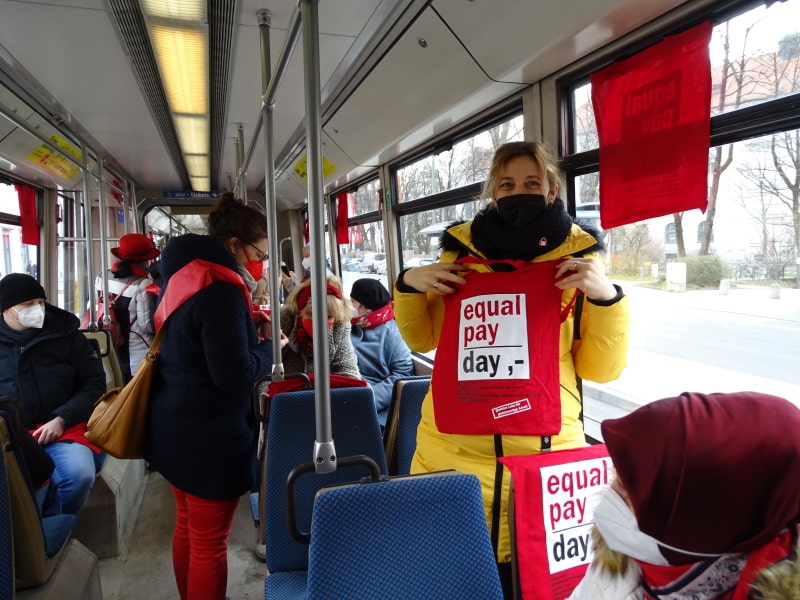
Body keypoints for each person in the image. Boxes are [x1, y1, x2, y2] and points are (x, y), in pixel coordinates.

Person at [393, 140, 629, 594]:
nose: (519, 192)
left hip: (545, 460)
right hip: (451, 454)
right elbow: (424, 340)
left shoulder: (580, 265)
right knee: (454, 582)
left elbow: (601, 369)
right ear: (492, 194)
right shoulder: (458, 257)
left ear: (552, 190)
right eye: (507, 184)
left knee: (539, 586)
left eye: (531, 183)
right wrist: (407, 284)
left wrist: (607, 299)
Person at [144, 193, 277, 600]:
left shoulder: (184, 274)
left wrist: (242, 329)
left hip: (171, 424)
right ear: (234, 245)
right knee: (209, 543)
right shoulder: (220, 287)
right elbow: (232, 375)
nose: (261, 262)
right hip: (207, 435)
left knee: (187, 526)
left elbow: (195, 341)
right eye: (259, 252)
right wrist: (266, 348)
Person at [569, 391, 800, 599]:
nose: (612, 494)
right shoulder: (622, 565)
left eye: (628, 484)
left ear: (698, 518)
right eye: (617, 476)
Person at [0, 273, 107, 516]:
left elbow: (94, 384)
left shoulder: (67, 336)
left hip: (66, 429)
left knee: (78, 476)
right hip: (12, 434)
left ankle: (53, 529)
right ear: (6, 308)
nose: (37, 309)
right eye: (27, 305)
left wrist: (61, 418)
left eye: (40, 302)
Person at [94, 233, 160, 379]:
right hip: (136, 354)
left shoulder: (102, 276)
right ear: (146, 260)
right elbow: (147, 326)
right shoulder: (143, 284)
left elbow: (94, 307)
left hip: (107, 345)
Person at [349, 278, 413, 427]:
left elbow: (403, 374)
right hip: (345, 392)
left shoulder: (392, 333)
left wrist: (368, 397)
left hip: (374, 405)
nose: (349, 306)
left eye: (353, 302)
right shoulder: (349, 325)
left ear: (367, 308)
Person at [280, 275, 360, 378]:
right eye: (312, 315)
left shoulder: (340, 326)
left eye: (328, 317)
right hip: (286, 390)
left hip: (328, 391)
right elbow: (265, 370)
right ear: (301, 311)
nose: (320, 324)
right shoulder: (283, 320)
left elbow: (349, 371)